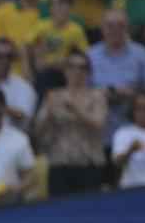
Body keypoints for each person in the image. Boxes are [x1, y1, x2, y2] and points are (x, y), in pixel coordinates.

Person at [34, 51, 109, 197]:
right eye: (72, 66)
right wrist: (48, 115)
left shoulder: (97, 96)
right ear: (65, 70)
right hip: (60, 164)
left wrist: (75, 109)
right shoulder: (53, 96)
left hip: (89, 164)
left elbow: (99, 124)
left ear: (89, 71)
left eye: (82, 67)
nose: (77, 71)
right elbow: (38, 132)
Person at [89, 9, 145, 141]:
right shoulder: (90, 55)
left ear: (127, 28)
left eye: (120, 25)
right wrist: (100, 94)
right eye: (110, 25)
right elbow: (79, 90)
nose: (115, 30)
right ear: (102, 28)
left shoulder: (142, 54)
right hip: (97, 132)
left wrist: (132, 93)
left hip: (135, 133)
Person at [28, 0, 88, 95]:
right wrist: (28, 72)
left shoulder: (76, 30)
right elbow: (26, 46)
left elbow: (84, 55)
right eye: (57, 5)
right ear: (51, 8)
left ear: (70, 9)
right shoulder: (41, 27)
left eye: (65, 5)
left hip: (65, 73)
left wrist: (62, 62)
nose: (61, 8)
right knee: (44, 77)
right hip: (44, 74)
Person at [112, 90, 145, 188]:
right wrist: (130, 150)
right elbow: (117, 163)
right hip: (131, 188)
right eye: (138, 108)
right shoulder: (123, 133)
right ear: (133, 110)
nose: (143, 113)